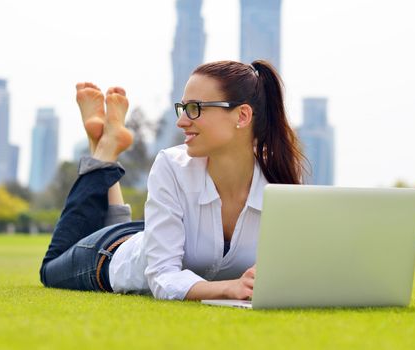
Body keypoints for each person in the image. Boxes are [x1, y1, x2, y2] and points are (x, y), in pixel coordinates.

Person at [39, 60, 306, 301]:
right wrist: (229, 287)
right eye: (183, 108)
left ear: (242, 116)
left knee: (145, 241)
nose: (181, 122)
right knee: (50, 269)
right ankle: (105, 147)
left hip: (153, 238)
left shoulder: (279, 179)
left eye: (194, 109)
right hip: (110, 255)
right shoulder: (172, 165)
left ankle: (104, 141)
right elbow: (162, 275)